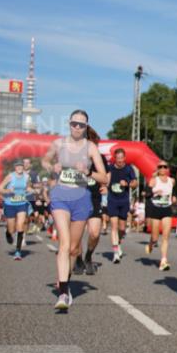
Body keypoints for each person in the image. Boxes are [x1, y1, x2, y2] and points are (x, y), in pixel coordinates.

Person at [42, 109, 108, 311]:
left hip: (81, 199)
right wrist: (51, 167)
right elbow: (45, 160)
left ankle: (65, 281)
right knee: (64, 243)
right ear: (69, 124)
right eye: (74, 124)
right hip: (61, 196)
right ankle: (63, 292)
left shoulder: (91, 148)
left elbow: (104, 178)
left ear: (86, 127)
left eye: (81, 125)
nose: (77, 128)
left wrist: (87, 171)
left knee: (73, 249)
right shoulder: (59, 144)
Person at [74, 126, 107, 276]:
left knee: (94, 233)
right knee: (77, 235)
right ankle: (79, 259)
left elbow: (105, 177)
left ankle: (88, 257)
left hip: (94, 199)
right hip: (76, 199)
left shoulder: (100, 158)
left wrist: (105, 187)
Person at [106, 148, 138, 262]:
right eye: (117, 158)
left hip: (124, 201)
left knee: (122, 228)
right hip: (112, 200)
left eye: (121, 158)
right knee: (113, 226)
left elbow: (135, 183)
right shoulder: (110, 168)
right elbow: (104, 178)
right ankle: (115, 253)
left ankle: (118, 243)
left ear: (124, 158)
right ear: (115, 158)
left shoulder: (129, 168)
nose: (119, 161)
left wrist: (128, 183)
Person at [145, 161, 176, 271]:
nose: (163, 168)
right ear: (157, 169)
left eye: (165, 166)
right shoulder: (154, 180)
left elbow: (172, 192)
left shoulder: (172, 181)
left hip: (166, 209)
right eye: (160, 167)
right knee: (155, 237)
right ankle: (151, 243)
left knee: (166, 236)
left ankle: (163, 260)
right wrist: (154, 193)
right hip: (155, 209)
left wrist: (174, 197)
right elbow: (146, 194)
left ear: (167, 169)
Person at [0, 160, 31, 259]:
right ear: (15, 168)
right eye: (17, 166)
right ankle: (8, 232)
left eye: (21, 166)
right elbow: (0, 188)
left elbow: (28, 187)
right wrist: (7, 190)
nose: (19, 167)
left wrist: (31, 189)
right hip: (10, 204)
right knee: (12, 229)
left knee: (20, 225)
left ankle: (18, 251)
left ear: (23, 167)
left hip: (22, 203)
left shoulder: (27, 177)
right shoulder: (10, 176)